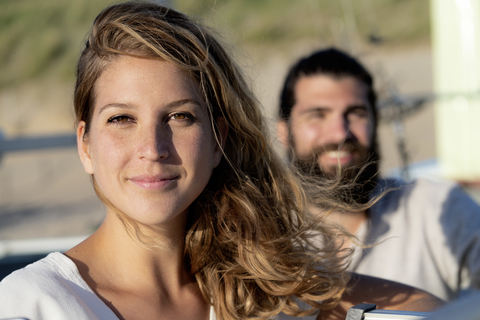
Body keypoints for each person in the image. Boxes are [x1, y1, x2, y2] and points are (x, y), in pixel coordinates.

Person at [0, 3, 443, 320]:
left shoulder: (260, 292)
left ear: (218, 142)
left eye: (179, 116)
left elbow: (426, 306)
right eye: (121, 119)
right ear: (85, 146)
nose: (152, 147)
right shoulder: (32, 303)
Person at [277, 47, 480, 302]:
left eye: (356, 114)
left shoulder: (436, 209)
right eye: (317, 115)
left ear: (375, 122)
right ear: (283, 132)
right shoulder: (257, 238)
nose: (340, 133)